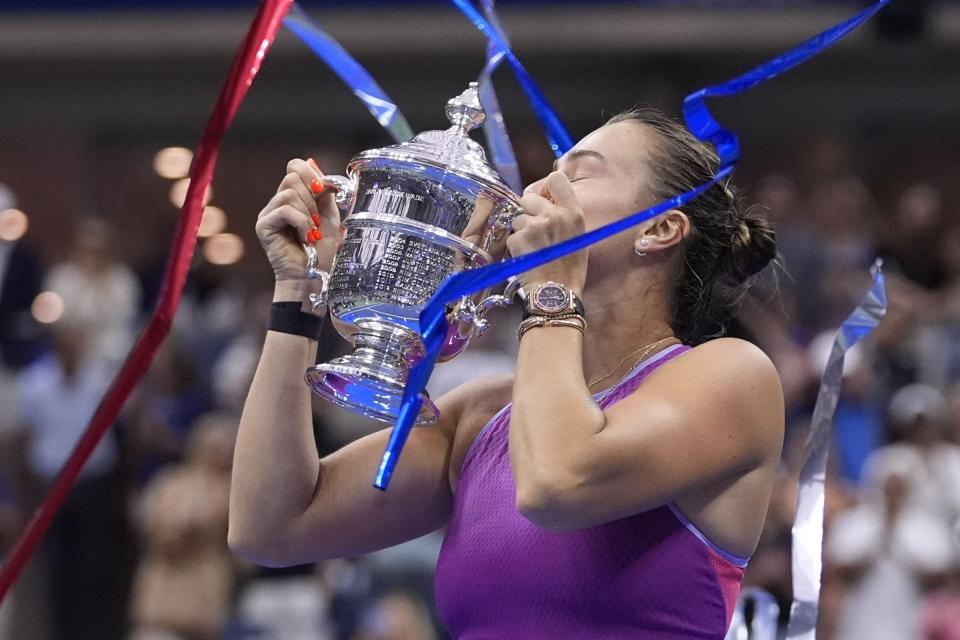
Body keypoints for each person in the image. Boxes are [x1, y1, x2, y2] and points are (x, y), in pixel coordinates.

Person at [229, 107, 785, 639]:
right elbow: (271, 526)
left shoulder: (733, 376)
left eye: (581, 175)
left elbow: (555, 484)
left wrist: (553, 288)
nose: (535, 196)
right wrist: (299, 296)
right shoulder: (483, 413)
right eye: (549, 174)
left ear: (659, 229)